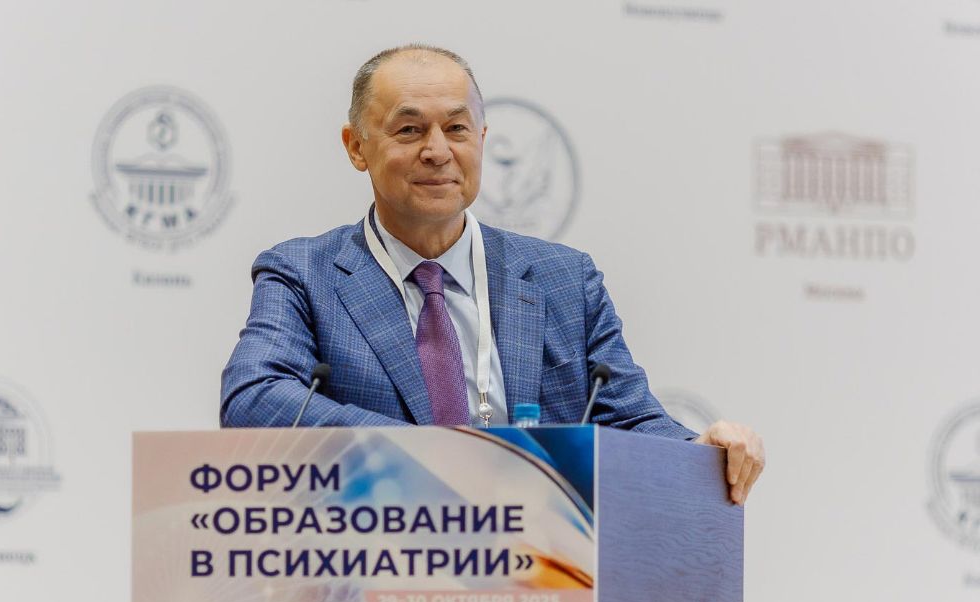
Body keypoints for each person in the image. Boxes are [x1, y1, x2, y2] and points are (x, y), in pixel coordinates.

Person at [221, 44, 765, 505]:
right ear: (356, 146)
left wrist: (698, 452)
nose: (437, 151)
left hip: (543, 564)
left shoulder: (564, 281)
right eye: (409, 129)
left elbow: (630, 421)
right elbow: (253, 399)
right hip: (371, 560)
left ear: (481, 138)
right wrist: (434, 459)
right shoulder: (304, 274)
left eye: (456, 128)